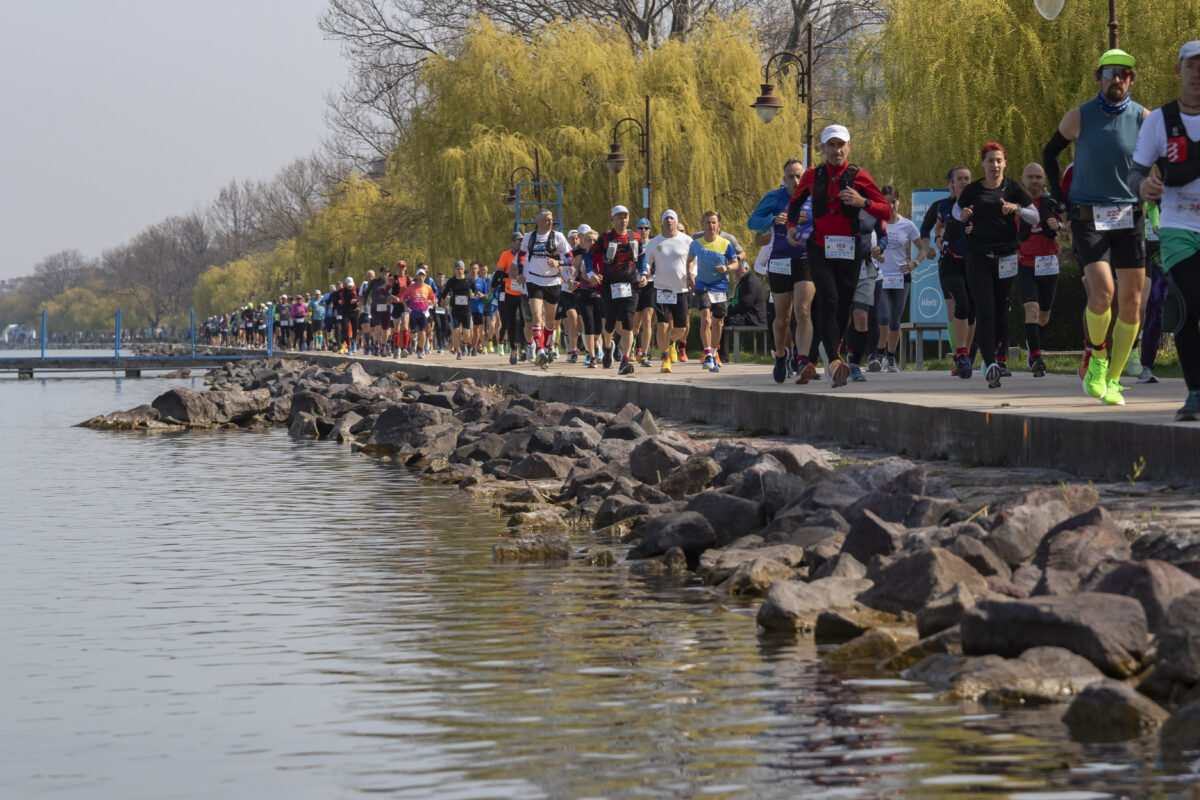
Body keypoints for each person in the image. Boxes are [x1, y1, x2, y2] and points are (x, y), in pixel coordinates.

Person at [1044, 48, 1150, 405]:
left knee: (1132, 301)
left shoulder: (1143, 118)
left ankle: (1116, 379)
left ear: (1131, 79)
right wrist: (1060, 198)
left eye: (1123, 73)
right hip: (1089, 216)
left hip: (1130, 216)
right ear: (1098, 77)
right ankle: (1098, 358)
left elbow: (1163, 161)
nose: (1116, 79)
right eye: (1110, 73)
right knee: (1103, 292)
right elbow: (1049, 153)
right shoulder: (1080, 117)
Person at [786, 124, 890, 387]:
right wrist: (791, 228)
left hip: (850, 250)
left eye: (841, 144)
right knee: (829, 299)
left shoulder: (860, 177)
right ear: (823, 149)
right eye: (831, 145)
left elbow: (885, 210)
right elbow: (794, 203)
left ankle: (815, 359)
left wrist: (862, 202)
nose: (836, 150)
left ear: (849, 147)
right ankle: (834, 360)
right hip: (819, 247)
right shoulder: (812, 175)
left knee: (842, 307)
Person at [1129, 40, 1200, 420]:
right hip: (1179, 227)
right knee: (1188, 305)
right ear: (1179, 71)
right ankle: (1196, 394)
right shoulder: (1159, 119)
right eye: (1192, 65)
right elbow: (1136, 171)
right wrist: (1142, 186)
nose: (1198, 72)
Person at [955, 142, 1040, 388]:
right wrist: (962, 216)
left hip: (1006, 258)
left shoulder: (1012, 187)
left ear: (1005, 163)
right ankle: (990, 363)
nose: (995, 165)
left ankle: (993, 359)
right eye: (990, 160)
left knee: (1002, 312)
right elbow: (954, 211)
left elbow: (1035, 216)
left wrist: (1018, 208)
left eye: (999, 160)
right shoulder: (973, 190)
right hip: (979, 257)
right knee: (985, 310)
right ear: (982, 163)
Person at [748, 158, 809, 383]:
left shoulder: (812, 196)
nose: (795, 180)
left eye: (799, 176)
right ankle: (781, 355)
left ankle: (803, 360)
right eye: (791, 176)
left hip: (804, 260)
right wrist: (772, 219)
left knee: (803, 312)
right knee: (782, 318)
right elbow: (753, 222)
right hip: (780, 261)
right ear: (784, 179)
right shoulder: (775, 197)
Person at [923, 166, 976, 377]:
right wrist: (927, 247)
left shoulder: (977, 204)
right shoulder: (941, 206)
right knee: (958, 305)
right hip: (949, 264)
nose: (963, 182)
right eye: (959, 179)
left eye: (967, 179)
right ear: (951, 183)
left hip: (973, 263)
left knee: (972, 311)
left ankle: (967, 354)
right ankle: (960, 355)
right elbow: (924, 228)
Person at [1016, 163, 1065, 377]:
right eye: (1030, 177)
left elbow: (1068, 225)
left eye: (1038, 177)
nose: (1034, 181)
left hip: (1048, 264)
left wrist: (1059, 226)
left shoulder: (1051, 202)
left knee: (1043, 316)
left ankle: (1032, 342)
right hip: (1025, 264)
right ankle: (1035, 355)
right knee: (1032, 309)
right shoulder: (1015, 204)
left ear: (1044, 179)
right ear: (1023, 179)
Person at [874, 185, 927, 372]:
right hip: (881, 277)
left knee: (895, 320)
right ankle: (878, 355)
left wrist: (915, 263)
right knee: (883, 316)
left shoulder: (907, 225)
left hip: (901, 277)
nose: (890, 205)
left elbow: (922, 248)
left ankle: (891, 357)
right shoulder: (876, 223)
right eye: (886, 201)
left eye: (893, 201)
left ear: (899, 202)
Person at [589, 205, 647, 375]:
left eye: (626, 217)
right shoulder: (605, 238)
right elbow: (589, 256)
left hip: (630, 285)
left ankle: (625, 359)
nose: (623, 220)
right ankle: (608, 348)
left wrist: (643, 273)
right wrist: (592, 273)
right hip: (610, 285)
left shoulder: (635, 237)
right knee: (610, 324)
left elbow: (642, 256)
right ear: (612, 219)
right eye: (620, 217)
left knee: (629, 323)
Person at [516, 210, 573, 368]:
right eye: (547, 220)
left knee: (550, 322)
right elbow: (521, 255)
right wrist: (521, 273)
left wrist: (558, 263)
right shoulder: (529, 237)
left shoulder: (558, 237)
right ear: (539, 221)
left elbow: (570, 258)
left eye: (552, 219)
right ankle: (540, 351)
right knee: (536, 318)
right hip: (534, 281)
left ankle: (547, 347)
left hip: (553, 282)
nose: (550, 222)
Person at [688, 211, 738, 372]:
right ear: (702, 225)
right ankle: (708, 353)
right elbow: (689, 260)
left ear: (719, 225)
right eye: (707, 223)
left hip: (720, 287)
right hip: (702, 285)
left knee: (717, 323)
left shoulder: (725, 243)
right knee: (706, 320)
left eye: (713, 222)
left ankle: (714, 353)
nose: (711, 225)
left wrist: (727, 268)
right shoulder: (696, 243)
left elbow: (736, 263)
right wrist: (690, 275)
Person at [646, 209, 694, 373]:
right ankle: (665, 358)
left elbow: (695, 261)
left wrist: (692, 276)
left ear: (676, 221)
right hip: (661, 289)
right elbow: (646, 261)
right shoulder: (654, 242)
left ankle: (671, 342)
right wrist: (645, 271)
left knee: (681, 328)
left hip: (680, 289)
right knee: (662, 325)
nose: (669, 221)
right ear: (662, 222)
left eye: (672, 218)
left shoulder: (687, 240)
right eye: (666, 218)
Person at [573, 225, 604, 367]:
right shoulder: (583, 257)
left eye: (594, 241)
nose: (592, 243)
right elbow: (583, 272)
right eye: (589, 241)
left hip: (600, 294)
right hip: (585, 294)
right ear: (584, 243)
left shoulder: (604, 256)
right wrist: (591, 277)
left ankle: (596, 346)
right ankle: (591, 356)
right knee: (589, 324)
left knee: (598, 328)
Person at [497, 232, 527, 365]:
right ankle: (514, 349)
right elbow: (498, 270)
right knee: (510, 323)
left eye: (521, 241)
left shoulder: (526, 254)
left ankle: (525, 348)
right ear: (512, 242)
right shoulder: (506, 254)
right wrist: (507, 275)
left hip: (524, 292)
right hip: (510, 292)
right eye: (517, 241)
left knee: (526, 322)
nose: (520, 243)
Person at [633, 217, 657, 367]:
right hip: (635, 285)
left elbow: (660, 262)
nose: (643, 231)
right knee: (635, 323)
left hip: (651, 284)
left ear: (649, 230)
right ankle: (634, 347)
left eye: (646, 228)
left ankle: (646, 353)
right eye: (640, 228)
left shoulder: (654, 245)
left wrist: (650, 271)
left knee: (647, 320)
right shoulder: (633, 245)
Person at [443, 261, 474, 359]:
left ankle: (464, 344)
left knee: (467, 333)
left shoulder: (469, 281)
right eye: (458, 269)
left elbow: (475, 290)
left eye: (461, 269)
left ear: (464, 269)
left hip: (466, 310)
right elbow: (444, 294)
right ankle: (459, 352)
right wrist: (446, 298)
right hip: (455, 310)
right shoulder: (451, 281)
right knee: (455, 331)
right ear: (455, 270)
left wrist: (473, 294)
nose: (460, 271)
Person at [403, 268, 436, 357]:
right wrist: (406, 307)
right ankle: (415, 341)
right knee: (413, 334)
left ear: (425, 277)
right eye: (419, 275)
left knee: (423, 332)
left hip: (423, 313)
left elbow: (433, 298)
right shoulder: (411, 287)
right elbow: (404, 297)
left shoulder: (428, 287)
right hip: (413, 313)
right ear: (416, 277)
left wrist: (432, 302)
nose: (421, 277)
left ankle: (421, 350)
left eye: (423, 275)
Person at [336, 277, 359, 354]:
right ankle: (348, 347)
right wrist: (338, 305)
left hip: (354, 311)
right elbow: (336, 300)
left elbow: (362, 298)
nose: (350, 287)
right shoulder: (341, 291)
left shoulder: (357, 289)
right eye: (348, 285)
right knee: (345, 329)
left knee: (355, 329)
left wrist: (357, 300)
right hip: (345, 312)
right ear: (345, 284)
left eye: (351, 285)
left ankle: (353, 341)